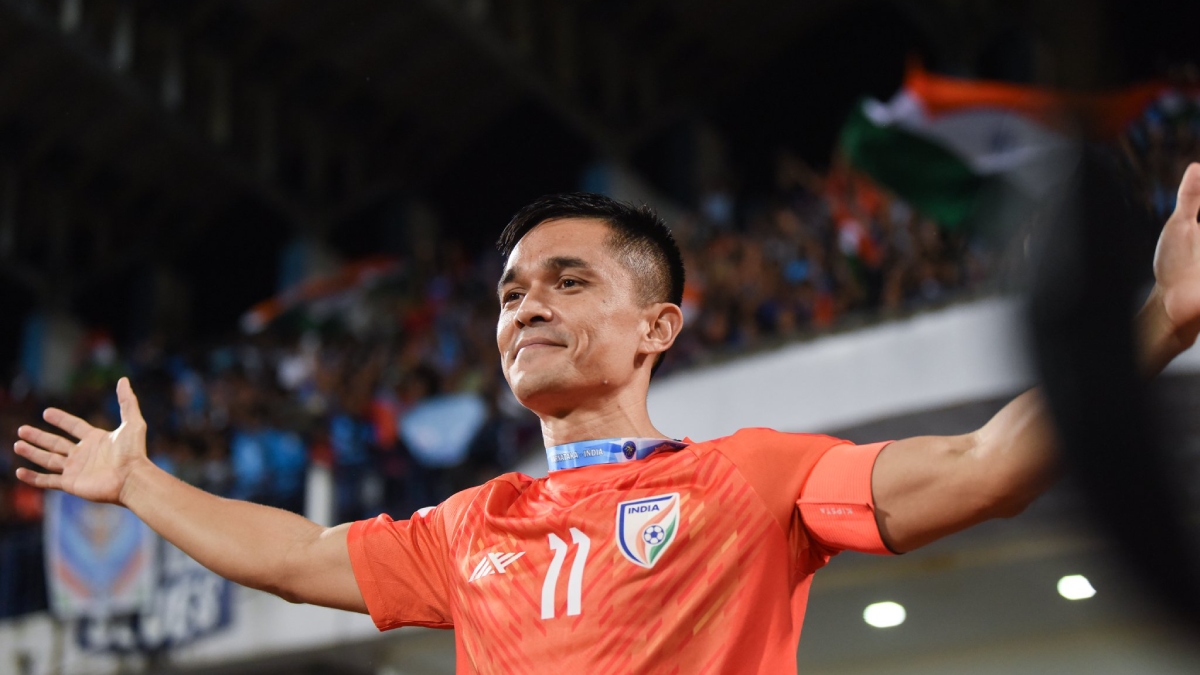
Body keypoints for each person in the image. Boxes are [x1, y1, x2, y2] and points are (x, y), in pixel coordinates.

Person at [12, 166, 1200, 674]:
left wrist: (1160, 316)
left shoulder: (753, 478)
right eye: (510, 293)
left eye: (568, 282)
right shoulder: (471, 528)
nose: (526, 306)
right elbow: (297, 556)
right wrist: (137, 485)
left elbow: (987, 468)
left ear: (657, 326)